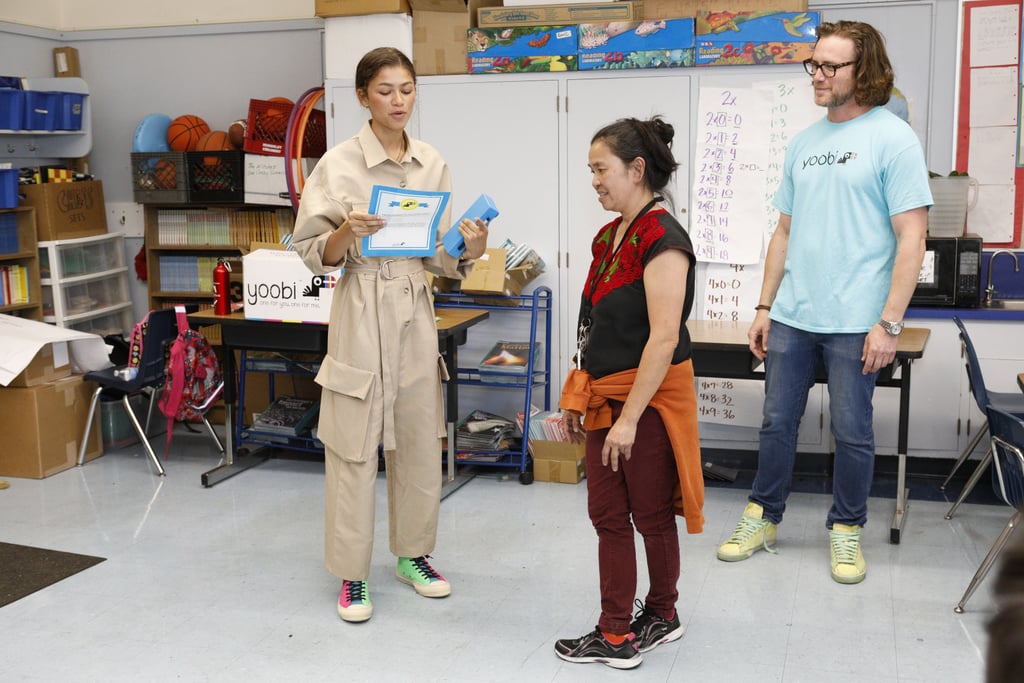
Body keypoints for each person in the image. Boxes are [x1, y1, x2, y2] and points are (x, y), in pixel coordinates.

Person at [715, 21, 931, 585]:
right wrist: (764, 307)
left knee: (853, 430)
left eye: (832, 66)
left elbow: (913, 237)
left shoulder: (893, 138)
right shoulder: (804, 144)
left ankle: (846, 529)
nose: (819, 75)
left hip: (858, 320)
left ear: (866, 72)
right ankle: (763, 518)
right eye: (815, 64)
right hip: (793, 315)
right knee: (776, 423)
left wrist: (889, 323)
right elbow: (783, 233)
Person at [291, 47, 489, 623]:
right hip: (359, 302)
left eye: (406, 89)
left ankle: (414, 555)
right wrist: (346, 232)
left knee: (420, 439)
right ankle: (352, 575)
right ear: (362, 97)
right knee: (353, 443)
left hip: (414, 308)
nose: (398, 100)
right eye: (385, 90)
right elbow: (312, 254)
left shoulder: (432, 163)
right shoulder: (337, 163)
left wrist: (468, 249)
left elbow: (438, 258)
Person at [554, 116, 704, 669]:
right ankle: (641, 618)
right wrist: (581, 397)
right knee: (609, 513)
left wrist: (628, 419)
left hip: (647, 401)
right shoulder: (611, 234)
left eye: (601, 169)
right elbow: (597, 325)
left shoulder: (664, 238)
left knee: (647, 513)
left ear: (637, 170)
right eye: (591, 170)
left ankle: (630, 628)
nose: (594, 180)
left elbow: (664, 337)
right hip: (607, 395)